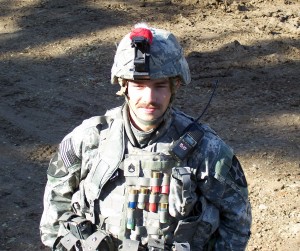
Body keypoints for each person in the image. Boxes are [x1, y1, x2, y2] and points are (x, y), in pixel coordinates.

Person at [40, 23, 251, 251]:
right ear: (124, 86)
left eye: (160, 86)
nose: (150, 98)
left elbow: (237, 220)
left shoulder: (206, 149)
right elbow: (56, 206)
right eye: (139, 85)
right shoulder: (88, 139)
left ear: (175, 86)